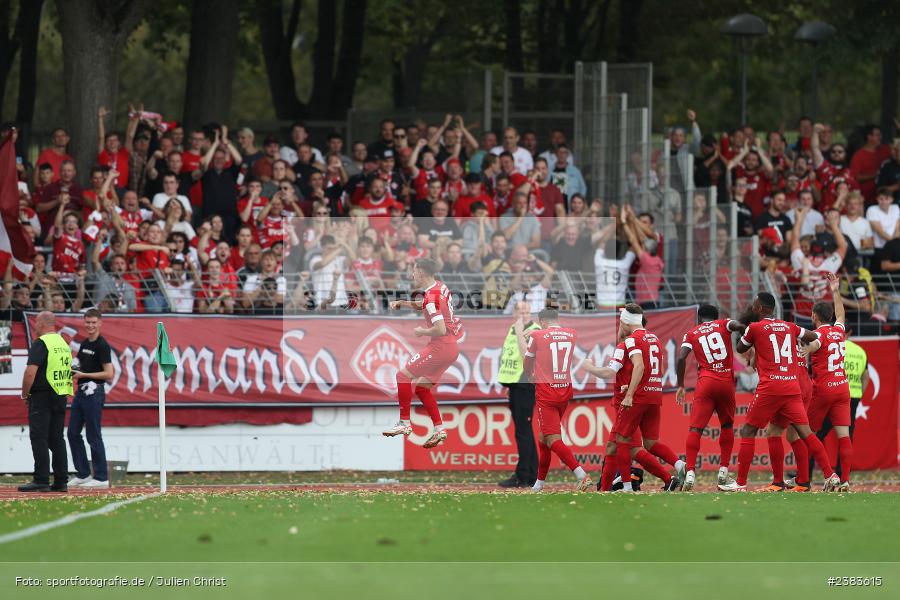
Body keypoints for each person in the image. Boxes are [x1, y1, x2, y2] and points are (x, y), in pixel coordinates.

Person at [720, 292, 840, 492]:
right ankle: (829, 475)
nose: (752, 307)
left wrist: (750, 338)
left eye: (754, 305)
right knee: (803, 433)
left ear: (759, 309)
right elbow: (814, 336)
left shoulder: (755, 328)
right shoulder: (789, 326)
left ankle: (741, 483)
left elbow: (740, 348)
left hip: (771, 387)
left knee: (749, 430)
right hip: (792, 386)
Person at [579, 315, 678, 492]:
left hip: (627, 402)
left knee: (629, 447)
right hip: (643, 397)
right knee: (619, 447)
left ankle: (657, 479)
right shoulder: (647, 343)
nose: (618, 328)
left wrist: (589, 368)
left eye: (620, 325)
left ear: (627, 325)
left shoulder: (624, 346)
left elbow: (610, 372)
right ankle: (606, 489)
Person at [383, 258, 463, 449]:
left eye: (414, 271)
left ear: (421, 272)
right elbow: (426, 305)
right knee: (421, 388)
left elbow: (440, 328)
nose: (412, 275)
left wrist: (422, 332)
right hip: (451, 348)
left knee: (402, 375)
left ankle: (404, 423)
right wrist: (403, 302)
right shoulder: (440, 287)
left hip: (440, 345)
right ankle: (439, 429)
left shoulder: (430, 298)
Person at [519, 308, 592, 492]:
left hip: (546, 394)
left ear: (542, 321)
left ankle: (581, 475)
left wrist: (530, 375)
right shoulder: (571, 334)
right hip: (564, 391)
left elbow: (527, 364)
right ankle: (539, 484)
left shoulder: (537, 336)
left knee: (552, 439)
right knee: (544, 438)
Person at [675, 304, 745, 491]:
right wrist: (746, 339)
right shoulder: (724, 324)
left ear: (699, 319)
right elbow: (738, 325)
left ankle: (690, 472)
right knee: (727, 426)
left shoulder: (691, 333)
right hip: (726, 383)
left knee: (695, 429)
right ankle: (723, 471)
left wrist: (681, 385)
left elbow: (681, 358)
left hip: (706, 383)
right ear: (716, 317)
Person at [798, 274, 853, 492]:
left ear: (814, 316)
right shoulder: (839, 330)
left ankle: (825, 476)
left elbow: (817, 343)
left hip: (823, 389)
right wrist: (835, 289)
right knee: (844, 436)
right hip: (842, 387)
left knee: (806, 433)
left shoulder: (818, 334)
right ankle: (845, 479)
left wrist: (807, 350)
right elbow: (841, 313)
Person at [18, 311, 73, 492]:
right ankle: (61, 481)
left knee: (39, 437)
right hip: (60, 394)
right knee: (57, 438)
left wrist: (25, 394)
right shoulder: (63, 343)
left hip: (42, 395)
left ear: (41, 324)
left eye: (36, 324)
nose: (34, 327)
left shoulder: (41, 343)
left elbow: (30, 373)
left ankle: (41, 479)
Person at [67, 309, 114, 489]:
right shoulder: (85, 342)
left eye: (94, 322)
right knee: (72, 433)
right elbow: (79, 365)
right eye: (88, 322)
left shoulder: (102, 345)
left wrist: (84, 374)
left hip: (94, 392)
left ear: (100, 323)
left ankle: (101, 477)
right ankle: (84, 473)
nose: (90, 326)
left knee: (93, 434)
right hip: (81, 392)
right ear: (84, 322)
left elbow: (109, 374)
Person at [496, 302, 541, 488]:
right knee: (523, 431)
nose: (524, 314)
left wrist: (521, 329)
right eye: (521, 311)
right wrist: (508, 383)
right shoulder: (513, 328)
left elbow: (525, 355)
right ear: (514, 312)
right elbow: (508, 355)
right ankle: (531, 474)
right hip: (515, 384)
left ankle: (522, 476)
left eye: (527, 311)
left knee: (523, 431)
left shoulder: (534, 329)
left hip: (525, 385)